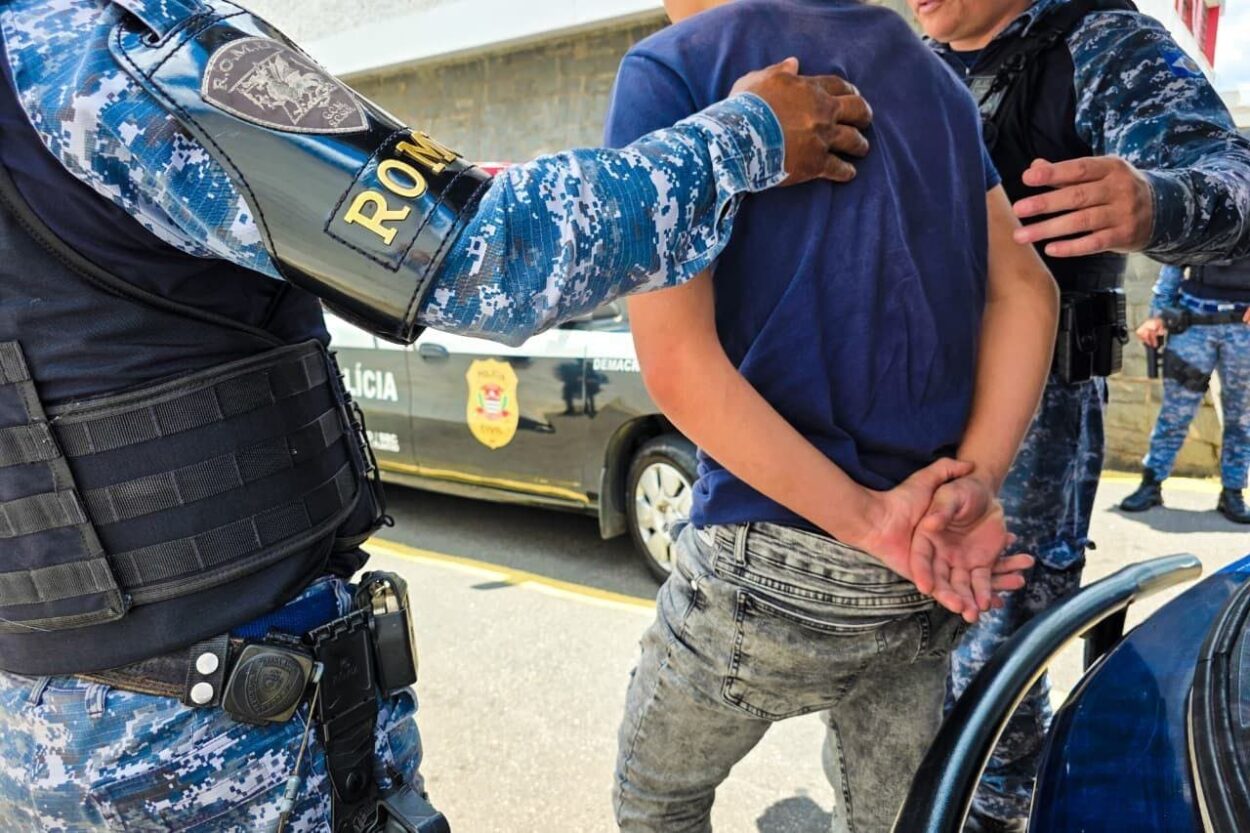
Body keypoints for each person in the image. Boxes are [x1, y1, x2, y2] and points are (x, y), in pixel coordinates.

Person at [0, 0, 878, 829]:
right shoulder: (104, 53)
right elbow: (475, 250)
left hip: (38, 737)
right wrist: (748, 138)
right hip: (216, 741)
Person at [604, 1, 1058, 831]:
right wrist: (978, 478)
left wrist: (870, 518)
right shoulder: (941, 86)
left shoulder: (671, 67)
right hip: (930, 562)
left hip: (782, 548)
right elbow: (1028, 288)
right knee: (897, 817)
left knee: (656, 798)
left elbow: (676, 361)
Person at [911, 0, 1250, 829]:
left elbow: (1233, 180)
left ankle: (994, 807)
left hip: (1032, 432)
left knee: (998, 655)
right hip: (897, 418)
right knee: (901, 663)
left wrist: (1158, 205)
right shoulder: (907, 60)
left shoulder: (1096, 41)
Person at [1122, 258, 1250, 523]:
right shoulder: (1203, 215)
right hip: (1194, 323)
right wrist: (1158, 315)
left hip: (1244, 328)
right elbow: (1174, 262)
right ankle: (1151, 483)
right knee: (1175, 412)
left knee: (1242, 417)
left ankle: (1233, 491)